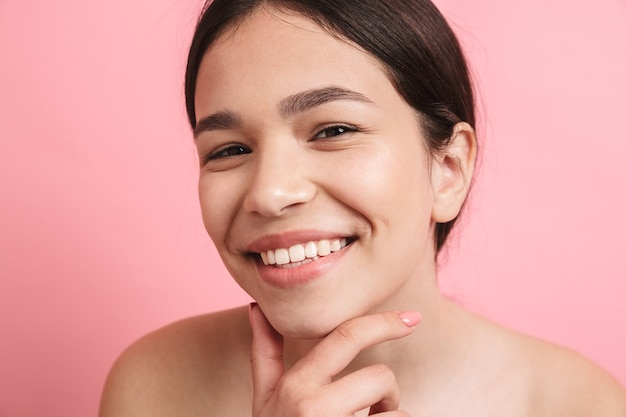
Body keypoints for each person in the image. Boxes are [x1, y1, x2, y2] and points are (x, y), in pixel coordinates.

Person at [99, 0, 626, 415]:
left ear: (448, 169)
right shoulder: (156, 384)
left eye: (334, 130)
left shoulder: (580, 407)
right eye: (229, 150)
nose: (269, 193)